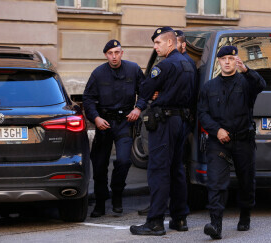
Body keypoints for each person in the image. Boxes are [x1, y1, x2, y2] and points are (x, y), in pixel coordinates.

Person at [130, 27, 195, 236]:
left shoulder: (165, 65)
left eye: (158, 43)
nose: (155, 47)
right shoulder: (189, 63)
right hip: (181, 121)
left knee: (158, 170)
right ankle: (180, 218)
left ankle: (155, 222)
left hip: (164, 122)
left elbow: (146, 89)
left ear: (170, 43)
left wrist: (157, 93)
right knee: (176, 170)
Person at [197, 46, 266, 239]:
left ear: (236, 60)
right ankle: (215, 224)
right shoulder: (209, 87)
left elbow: (261, 85)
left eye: (231, 58)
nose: (227, 61)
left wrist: (247, 70)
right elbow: (202, 113)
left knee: (246, 181)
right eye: (223, 58)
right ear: (219, 61)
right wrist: (216, 130)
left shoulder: (246, 83)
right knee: (216, 182)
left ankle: (245, 214)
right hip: (218, 141)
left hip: (243, 139)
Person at [83, 39, 145, 218]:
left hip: (125, 122)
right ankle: (101, 203)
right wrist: (95, 118)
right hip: (104, 123)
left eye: (117, 52)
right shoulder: (98, 73)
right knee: (100, 164)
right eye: (110, 53)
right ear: (106, 55)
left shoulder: (133, 69)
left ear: (122, 53)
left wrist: (138, 108)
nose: (114, 56)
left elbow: (145, 91)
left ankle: (117, 195)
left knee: (124, 161)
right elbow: (87, 99)